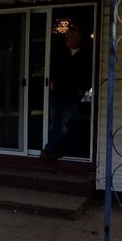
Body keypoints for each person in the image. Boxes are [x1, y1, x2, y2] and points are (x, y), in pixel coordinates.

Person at [40, 25, 93, 161]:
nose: (66, 39)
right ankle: (58, 150)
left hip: (72, 95)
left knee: (62, 122)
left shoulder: (87, 54)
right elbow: (52, 68)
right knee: (55, 122)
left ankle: (49, 149)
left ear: (79, 38)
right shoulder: (61, 52)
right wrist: (51, 81)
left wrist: (83, 88)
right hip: (57, 92)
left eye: (70, 36)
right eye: (66, 36)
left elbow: (90, 74)